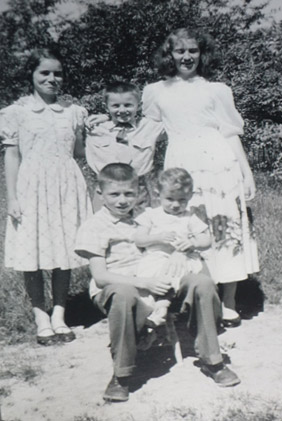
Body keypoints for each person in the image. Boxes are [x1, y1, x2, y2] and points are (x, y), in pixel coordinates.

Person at [75, 163, 240, 403]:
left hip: (162, 282)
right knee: (123, 294)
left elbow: (183, 241)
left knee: (202, 283)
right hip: (120, 287)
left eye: (129, 194)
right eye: (114, 194)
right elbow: (101, 276)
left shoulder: (147, 217)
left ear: (140, 193)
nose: (122, 201)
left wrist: (182, 252)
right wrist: (144, 282)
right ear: (100, 195)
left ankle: (212, 360)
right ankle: (122, 375)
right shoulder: (95, 227)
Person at [142, 28, 259, 327]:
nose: (186, 57)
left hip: (219, 162)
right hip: (181, 165)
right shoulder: (155, 91)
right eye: (180, 51)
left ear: (202, 53)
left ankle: (229, 302)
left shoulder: (217, 89)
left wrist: (247, 174)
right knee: (186, 227)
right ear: (169, 54)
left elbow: (230, 134)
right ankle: (194, 296)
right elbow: (147, 133)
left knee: (224, 227)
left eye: (193, 51)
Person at [0, 48, 92, 345]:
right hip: (32, 187)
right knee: (33, 253)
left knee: (64, 251)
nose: (52, 79)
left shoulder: (74, 112)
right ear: (32, 75)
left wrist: (103, 133)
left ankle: (59, 316)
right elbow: (12, 156)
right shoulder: (16, 113)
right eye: (45, 73)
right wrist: (12, 198)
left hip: (67, 185)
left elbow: (79, 151)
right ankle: (41, 317)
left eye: (58, 73)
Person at [135, 167, 211, 327]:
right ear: (158, 194)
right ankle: (149, 314)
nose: (176, 205)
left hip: (183, 260)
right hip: (156, 257)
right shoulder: (151, 215)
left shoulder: (190, 217)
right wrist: (157, 237)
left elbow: (206, 240)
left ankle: (162, 308)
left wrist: (193, 243)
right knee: (155, 276)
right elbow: (139, 240)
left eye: (182, 200)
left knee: (177, 273)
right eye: (170, 199)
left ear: (190, 197)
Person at [85, 81, 165, 212]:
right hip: (106, 189)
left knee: (141, 225)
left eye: (128, 105)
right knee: (104, 227)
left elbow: (174, 122)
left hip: (138, 189)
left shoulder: (149, 127)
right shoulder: (96, 128)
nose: (122, 110)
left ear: (138, 106)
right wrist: (105, 117)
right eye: (115, 106)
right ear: (106, 107)